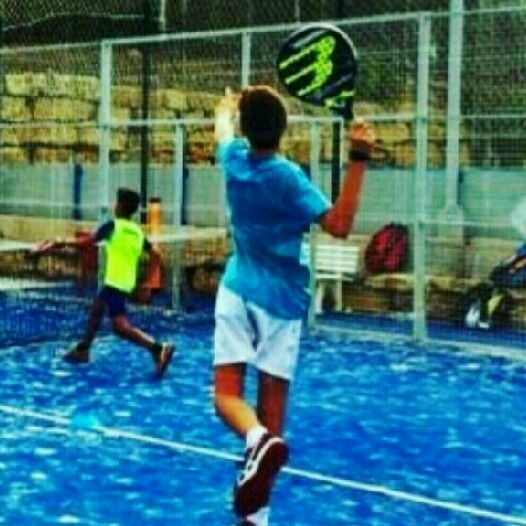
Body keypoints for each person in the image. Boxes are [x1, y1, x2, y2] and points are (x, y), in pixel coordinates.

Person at [213, 86, 374, 526]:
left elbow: (222, 127)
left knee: (227, 397)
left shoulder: (233, 160)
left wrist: (228, 107)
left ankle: (255, 447)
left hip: (236, 292)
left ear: (246, 129)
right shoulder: (287, 177)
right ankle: (258, 501)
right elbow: (339, 224)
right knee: (272, 417)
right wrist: (359, 158)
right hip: (281, 304)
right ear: (284, 129)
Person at [39, 187, 174, 378]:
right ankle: (84, 349)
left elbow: (87, 242)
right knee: (97, 308)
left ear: (119, 206)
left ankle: (157, 348)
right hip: (125, 283)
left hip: (114, 283)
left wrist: (58, 242)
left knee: (120, 327)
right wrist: (149, 282)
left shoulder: (113, 226)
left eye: (116, 202)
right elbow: (156, 255)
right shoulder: (137, 232)